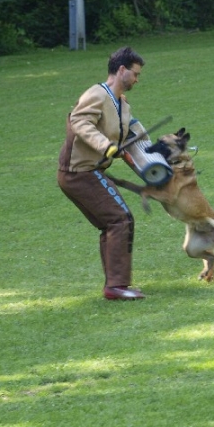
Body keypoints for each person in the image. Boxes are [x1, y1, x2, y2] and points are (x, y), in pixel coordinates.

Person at [58, 47, 146, 300]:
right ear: (121, 70)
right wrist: (106, 146)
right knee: (120, 219)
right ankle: (116, 287)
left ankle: (115, 285)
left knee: (113, 222)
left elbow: (127, 131)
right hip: (79, 173)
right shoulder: (96, 94)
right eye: (135, 74)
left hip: (89, 171)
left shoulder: (120, 102)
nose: (137, 80)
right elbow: (79, 122)